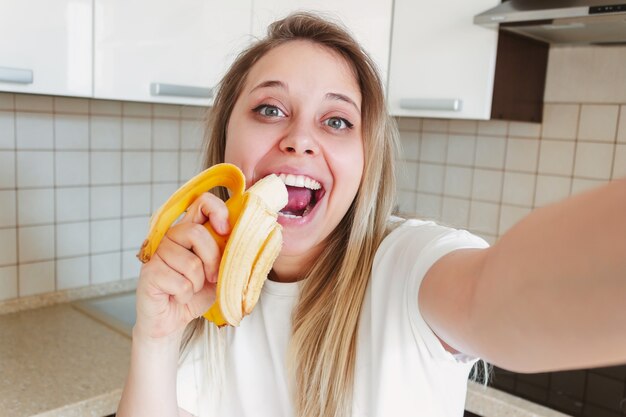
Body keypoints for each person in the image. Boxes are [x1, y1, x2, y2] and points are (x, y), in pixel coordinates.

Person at [117, 12, 626, 417]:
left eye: (336, 121)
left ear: (366, 162)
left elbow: (499, 293)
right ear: (226, 140)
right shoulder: (200, 300)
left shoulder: (405, 267)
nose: (299, 139)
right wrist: (156, 339)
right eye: (270, 109)